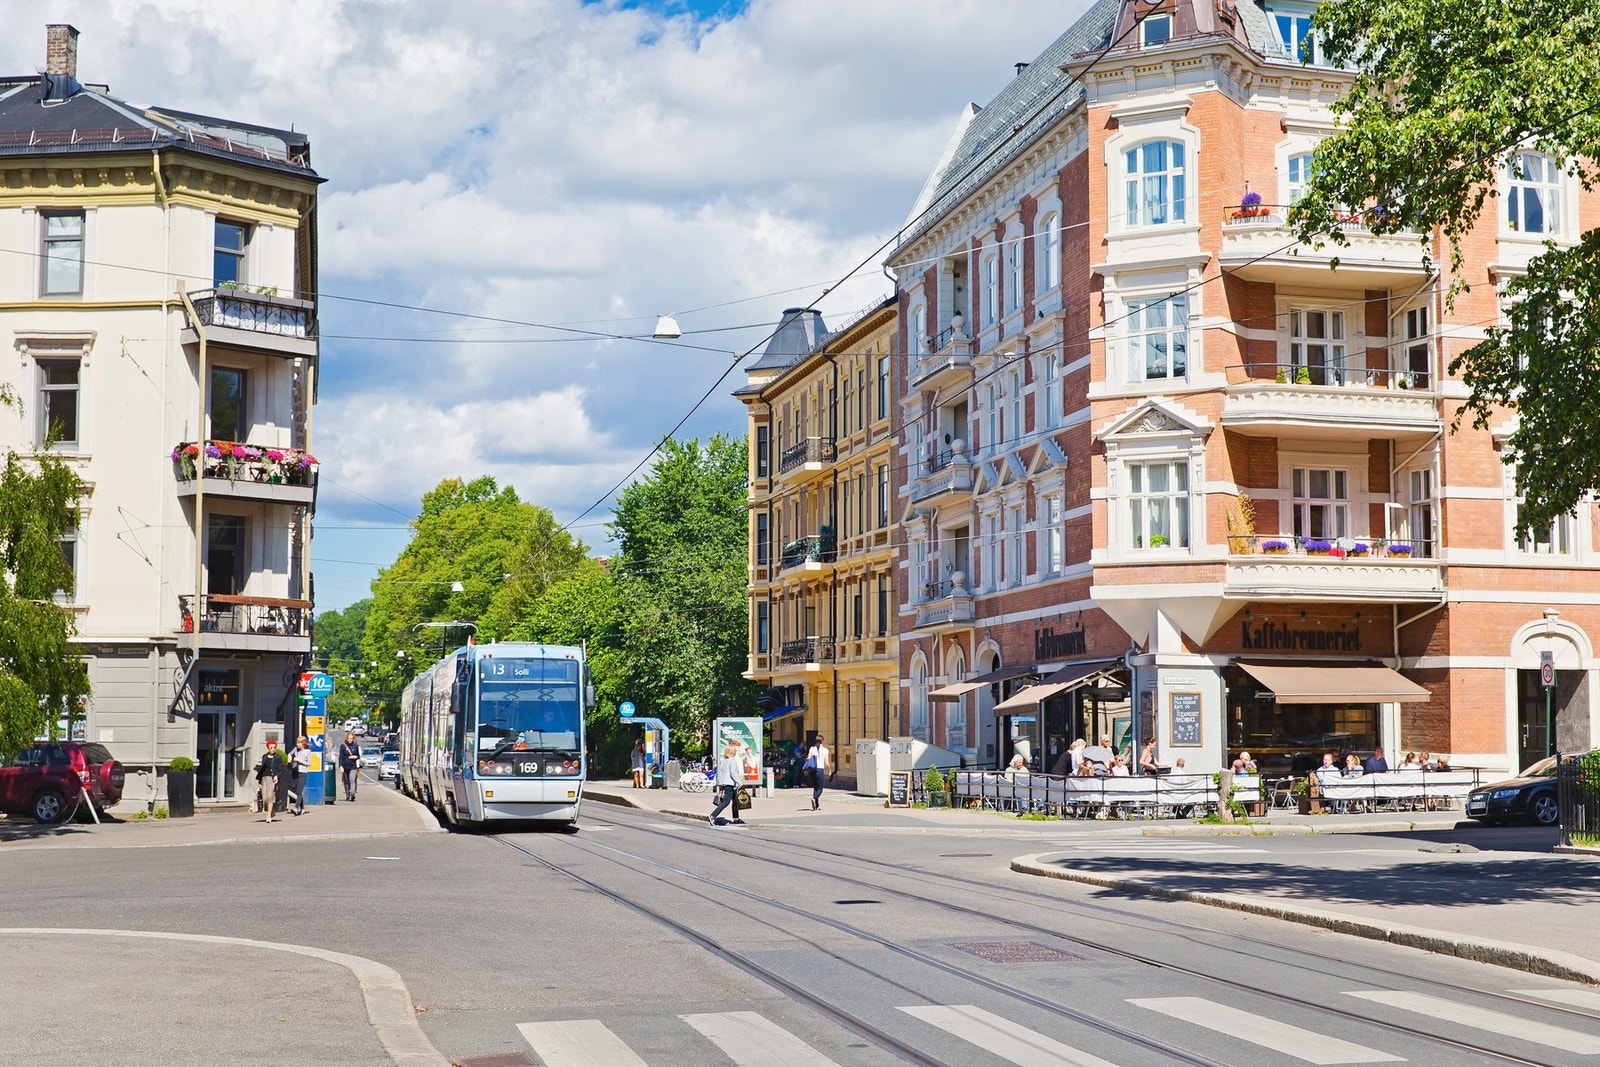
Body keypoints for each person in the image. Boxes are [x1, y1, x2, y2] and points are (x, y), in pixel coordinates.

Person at [707, 743, 744, 826]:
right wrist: (739, 782)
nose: (736, 752)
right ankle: (713, 815)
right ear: (732, 751)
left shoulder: (723, 761)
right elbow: (733, 773)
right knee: (726, 802)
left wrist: (720, 785)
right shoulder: (732, 760)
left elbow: (720, 773)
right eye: (735, 750)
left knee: (735, 801)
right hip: (730, 784)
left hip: (725, 783)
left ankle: (736, 818)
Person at [255, 738, 284, 823]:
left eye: (274, 747)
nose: (273, 749)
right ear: (268, 748)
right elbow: (262, 769)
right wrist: (259, 782)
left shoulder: (278, 757)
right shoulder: (265, 756)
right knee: (265, 798)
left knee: (270, 797)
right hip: (264, 777)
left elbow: (280, 769)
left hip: (272, 778)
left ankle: (268, 816)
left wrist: (277, 776)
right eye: (271, 747)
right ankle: (272, 811)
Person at [288, 735, 312, 815]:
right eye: (297, 742)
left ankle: (296, 808)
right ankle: (302, 808)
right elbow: (289, 754)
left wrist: (300, 760)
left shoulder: (307, 752)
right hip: (295, 772)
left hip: (303, 773)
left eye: (299, 743)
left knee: (299, 791)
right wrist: (290, 758)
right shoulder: (295, 750)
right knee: (296, 790)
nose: (297, 744)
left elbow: (309, 763)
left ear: (303, 743)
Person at [807, 734, 830, 810]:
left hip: (812, 770)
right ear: (822, 741)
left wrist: (807, 770)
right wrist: (829, 771)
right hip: (820, 770)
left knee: (815, 787)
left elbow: (808, 758)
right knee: (820, 789)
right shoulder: (825, 750)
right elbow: (827, 763)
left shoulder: (812, 749)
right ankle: (814, 798)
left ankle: (816, 805)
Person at [338, 731, 361, 802]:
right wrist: (340, 766)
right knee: (346, 781)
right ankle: (347, 795)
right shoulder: (343, 746)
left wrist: (354, 757)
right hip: (345, 766)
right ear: (347, 738)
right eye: (348, 738)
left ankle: (352, 793)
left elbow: (358, 756)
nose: (350, 740)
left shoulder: (356, 746)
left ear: (353, 739)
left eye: (351, 738)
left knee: (352, 779)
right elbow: (340, 757)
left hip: (352, 766)